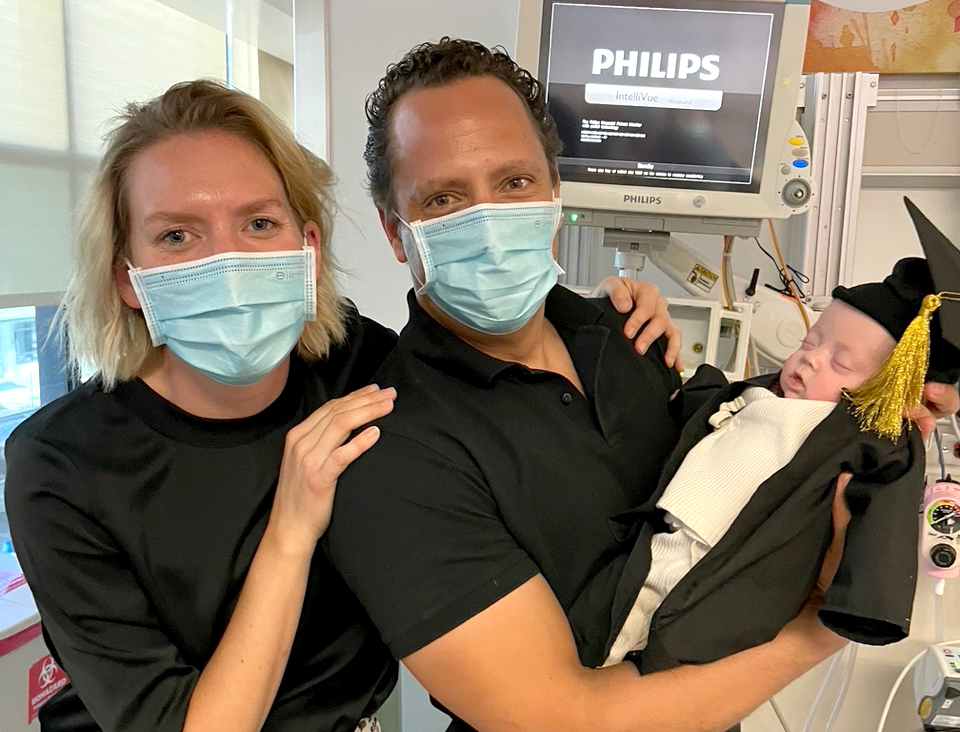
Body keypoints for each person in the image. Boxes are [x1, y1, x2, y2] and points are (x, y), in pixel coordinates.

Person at [325, 38, 959, 732]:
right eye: (444, 198)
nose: (490, 222)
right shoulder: (390, 457)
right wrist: (824, 625)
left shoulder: (627, 335)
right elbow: (562, 720)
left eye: (514, 183)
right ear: (396, 232)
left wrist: (858, 403)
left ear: (554, 190)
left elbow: (740, 453)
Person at [3, 80, 675, 732]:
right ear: (128, 277)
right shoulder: (61, 465)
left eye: (259, 222)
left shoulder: (358, 365)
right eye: (177, 236)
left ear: (307, 247)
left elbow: (491, 371)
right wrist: (289, 534)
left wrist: (605, 326)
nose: (228, 262)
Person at [594, 204, 960, 671]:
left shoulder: (865, 440)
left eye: (841, 363)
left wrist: (865, 604)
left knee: (649, 643)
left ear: (883, 393)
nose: (809, 360)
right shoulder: (757, 395)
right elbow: (695, 407)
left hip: (716, 576)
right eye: (810, 342)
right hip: (653, 539)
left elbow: (886, 518)